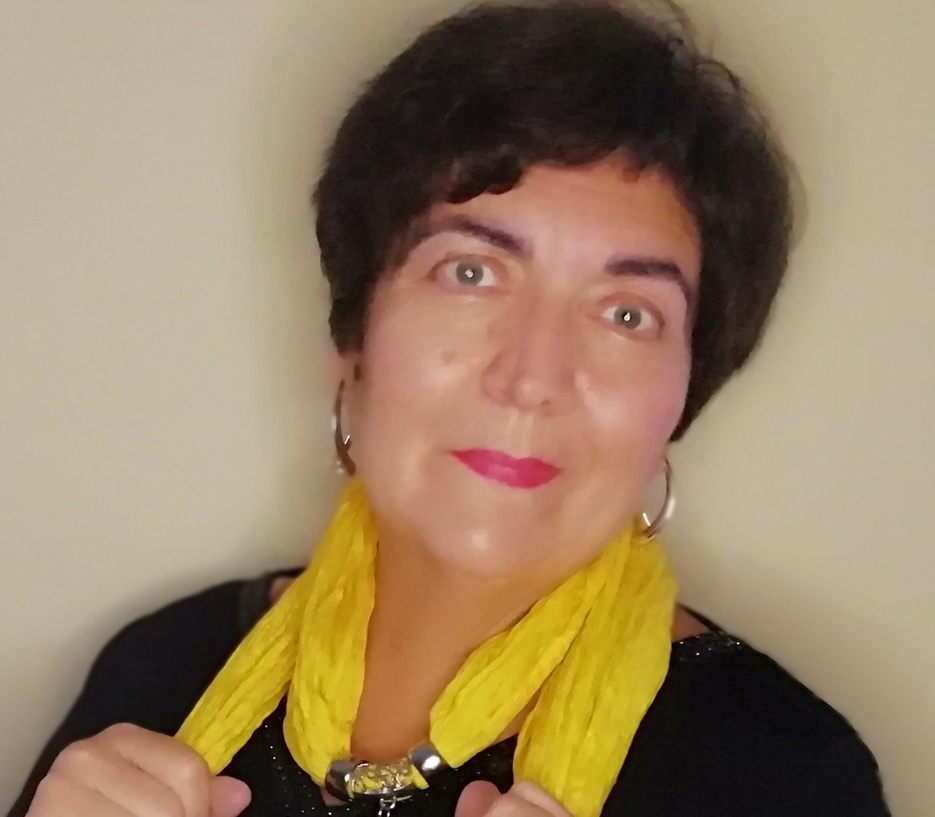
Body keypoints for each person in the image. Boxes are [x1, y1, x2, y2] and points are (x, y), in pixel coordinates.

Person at [9, 2, 891, 816]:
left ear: (681, 399)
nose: (532, 375)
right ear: (353, 337)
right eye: (470, 272)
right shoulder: (162, 673)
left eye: (628, 314)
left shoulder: (785, 775)